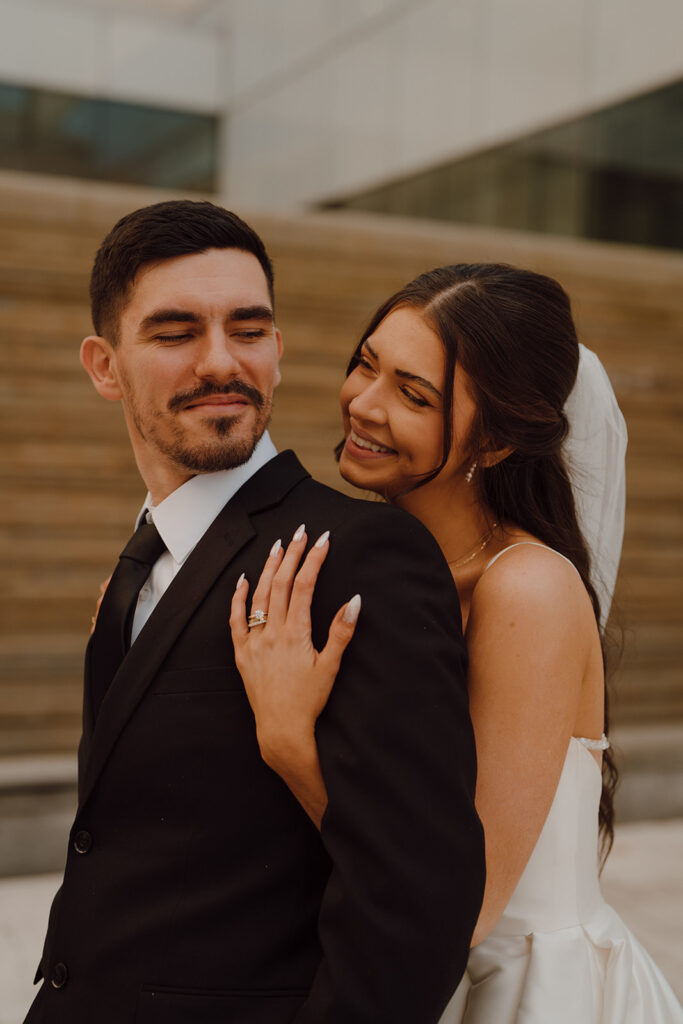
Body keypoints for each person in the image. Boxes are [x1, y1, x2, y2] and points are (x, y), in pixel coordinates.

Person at [24, 203, 485, 1023]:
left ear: (277, 347)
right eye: (173, 333)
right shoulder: (140, 563)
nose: (220, 362)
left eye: (248, 328)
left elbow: (416, 896)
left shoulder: (359, 556)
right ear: (105, 366)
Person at [230, 263, 683, 1023]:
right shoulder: (387, 568)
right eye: (366, 365)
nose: (363, 406)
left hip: (521, 993)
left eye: (413, 394)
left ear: (499, 440)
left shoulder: (526, 591)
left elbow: (460, 905)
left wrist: (288, 742)